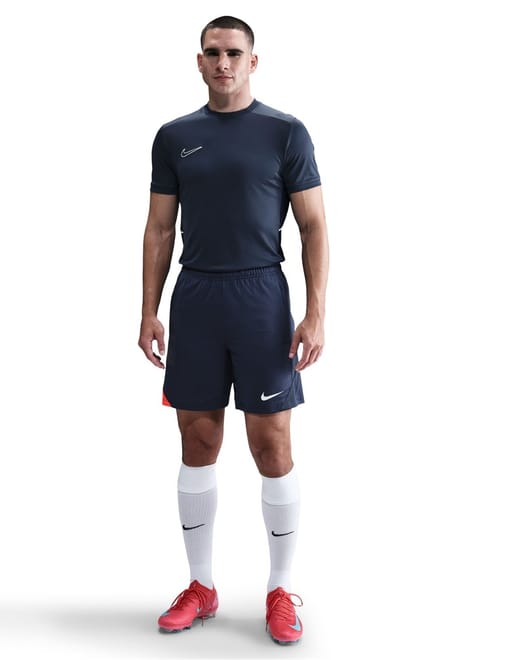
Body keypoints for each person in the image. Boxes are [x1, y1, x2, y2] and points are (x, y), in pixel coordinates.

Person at [138, 15, 329, 646]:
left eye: (234, 53)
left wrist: (316, 312)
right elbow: (159, 228)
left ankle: (280, 588)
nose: (223, 63)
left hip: (261, 298)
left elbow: (313, 226)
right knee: (198, 440)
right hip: (197, 297)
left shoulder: (285, 132)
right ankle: (201, 585)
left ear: (253, 61)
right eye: (213, 53)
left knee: (272, 444)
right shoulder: (175, 137)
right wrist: (149, 310)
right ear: (200, 61)